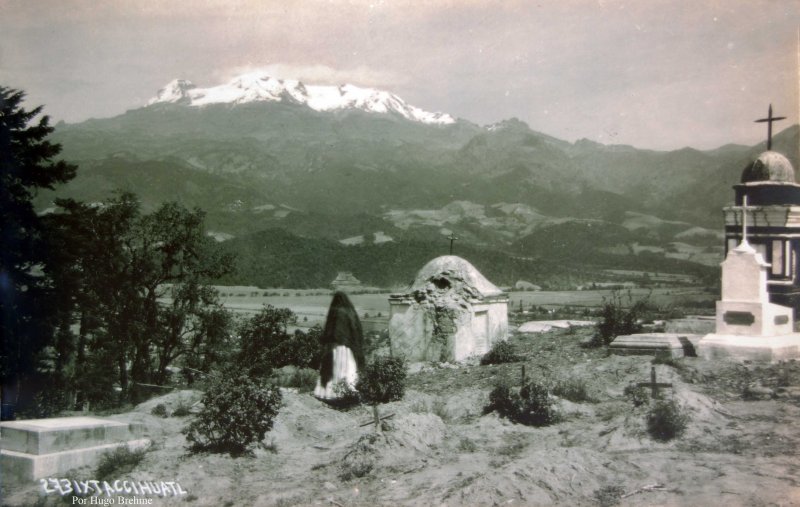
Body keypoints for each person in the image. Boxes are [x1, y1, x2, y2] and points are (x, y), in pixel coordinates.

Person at [314, 291, 366, 400]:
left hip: (337, 348)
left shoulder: (337, 313)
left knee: (336, 370)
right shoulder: (349, 313)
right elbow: (355, 331)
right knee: (348, 370)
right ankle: (348, 394)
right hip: (348, 348)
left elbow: (334, 332)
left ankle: (334, 394)